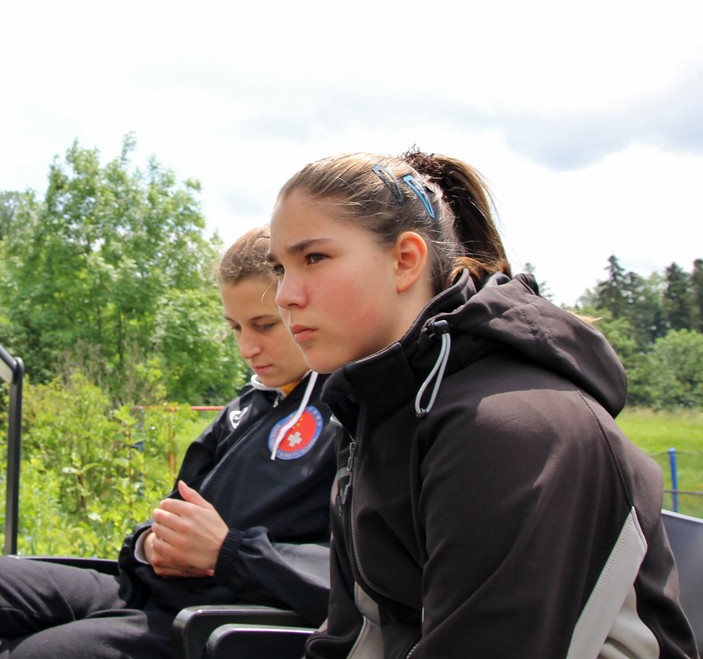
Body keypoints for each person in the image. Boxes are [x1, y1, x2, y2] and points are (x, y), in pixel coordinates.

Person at [267, 149, 699, 658]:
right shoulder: (370, 412)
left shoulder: (513, 428)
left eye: (314, 258)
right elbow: (355, 635)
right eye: (280, 268)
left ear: (405, 260)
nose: (285, 295)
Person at [0, 225, 340, 658]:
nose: (246, 348)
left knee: (37, 653)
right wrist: (149, 543)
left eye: (264, 326)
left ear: (299, 307)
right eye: (236, 328)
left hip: (213, 621)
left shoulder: (348, 416)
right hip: (142, 588)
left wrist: (229, 553)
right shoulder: (245, 409)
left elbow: (351, 581)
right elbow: (172, 508)